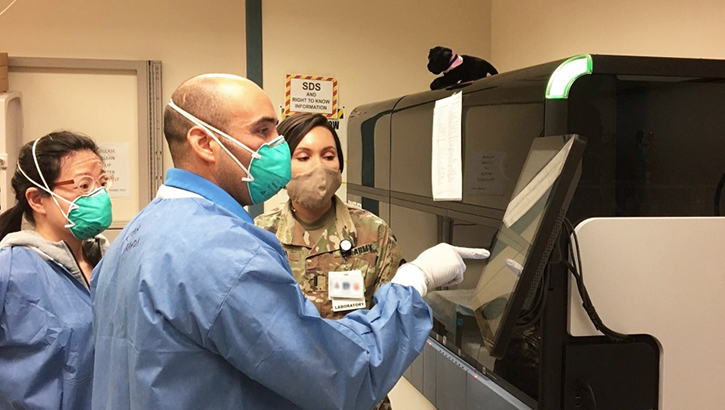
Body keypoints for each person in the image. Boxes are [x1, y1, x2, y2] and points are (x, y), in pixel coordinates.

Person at [91, 73, 489, 410]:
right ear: (204, 142)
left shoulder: (139, 233)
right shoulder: (226, 252)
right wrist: (415, 281)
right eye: (262, 132)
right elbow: (341, 373)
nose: (276, 149)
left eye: (277, 134)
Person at [255, 113, 402, 410]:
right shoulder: (259, 235)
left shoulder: (373, 233)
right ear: (284, 166)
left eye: (328, 155)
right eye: (304, 156)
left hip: (359, 397)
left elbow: (391, 328)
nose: (318, 167)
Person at [0, 131, 113, 409]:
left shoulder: (108, 262)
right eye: (83, 186)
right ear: (37, 200)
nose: (98, 195)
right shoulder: (10, 270)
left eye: (102, 183)